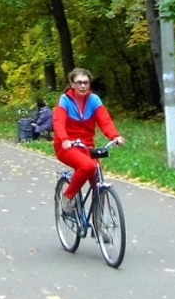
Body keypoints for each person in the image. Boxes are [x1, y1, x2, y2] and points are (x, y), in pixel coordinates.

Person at [53, 68, 124, 211]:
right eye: (79, 82)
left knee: (98, 179)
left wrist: (114, 136)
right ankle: (68, 196)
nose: (83, 86)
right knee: (88, 166)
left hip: (87, 147)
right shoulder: (65, 100)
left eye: (86, 82)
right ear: (72, 84)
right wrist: (65, 139)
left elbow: (105, 122)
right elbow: (58, 123)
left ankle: (99, 223)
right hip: (67, 146)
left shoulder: (94, 100)